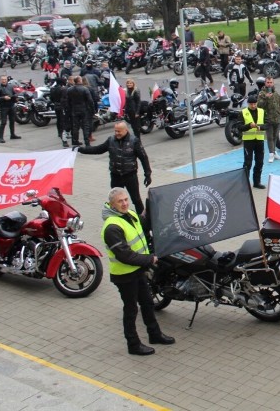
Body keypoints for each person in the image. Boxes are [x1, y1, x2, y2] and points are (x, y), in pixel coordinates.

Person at [101, 187, 174, 356]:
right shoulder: (112, 227)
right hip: (125, 275)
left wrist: (150, 202)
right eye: (120, 201)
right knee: (131, 309)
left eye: (126, 199)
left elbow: (144, 224)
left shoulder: (130, 215)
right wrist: (150, 259)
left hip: (138, 270)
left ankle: (154, 334)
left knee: (147, 303)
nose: (125, 203)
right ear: (112, 204)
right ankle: (133, 344)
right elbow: (125, 255)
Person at [78, 121, 152, 214]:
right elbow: (98, 149)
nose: (117, 133)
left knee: (136, 200)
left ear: (126, 130)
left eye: (119, 131)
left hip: (130, 176)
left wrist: (148, 174)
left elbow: (143, 158)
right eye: (115, 131)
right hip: (115, 176)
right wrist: (81, 149)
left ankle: (142, 221)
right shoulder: (111, 140)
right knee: (115, 201)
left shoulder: (134, 141)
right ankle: (118, 218)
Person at [239, 94, 267, 189]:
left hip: (259, 140)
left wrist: (260, 127)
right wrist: (249, 126)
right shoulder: (243, 112)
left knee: (259, 162)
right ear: (248, 104)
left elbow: (267, 124)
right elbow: (239, 127)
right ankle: (244, 184)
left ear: (257, 103)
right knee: (248, 163)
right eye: (251, 104)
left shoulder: (262, 112)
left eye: (255, 104)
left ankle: (257, 182)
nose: (253, 106)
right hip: (248, 141)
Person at [257, 76, 280, 163]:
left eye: (271, 82)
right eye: (268, 83)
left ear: (273, 83)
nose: (269, 84)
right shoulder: (262, 93)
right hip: (267, 119)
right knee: (269, 137)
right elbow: (259, 105)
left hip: (277, 118)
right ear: (265, 83)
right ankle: (271, 154)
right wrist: (266, 97)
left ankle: (274, 152)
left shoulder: (276, 93)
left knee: (275, 136)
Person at [66, 76, 95, 147]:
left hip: (74, 110)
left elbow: (68, 101)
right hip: (84, 109)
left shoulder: (69, 90)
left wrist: (69, 110)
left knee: (75, 126)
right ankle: (87, 142)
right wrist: (92, 109)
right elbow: (90, 100)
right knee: (85, 126)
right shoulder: (85, 89)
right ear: (79, 81)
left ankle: (75, 141)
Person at [0, 75, 20, 143]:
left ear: (7, 80)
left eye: (5, 79)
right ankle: (1, 138)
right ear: (0, 80)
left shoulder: (10, 86)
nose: (4, 81)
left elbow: (14, 94)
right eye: (2, 79)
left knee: (12, 121)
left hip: (11, 106)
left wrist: (16, 98)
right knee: (3, 122)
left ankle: (12, 135)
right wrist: (3, 98)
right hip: (4, 107)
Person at [49, 74, 70, 147]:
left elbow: (51, 98)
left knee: (58, 120)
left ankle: (59, 132)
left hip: (56, 106)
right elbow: (65, 99)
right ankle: (64, 139)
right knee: (64, 122)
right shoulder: (63, 89)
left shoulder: (52, 89)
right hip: (62, 107)